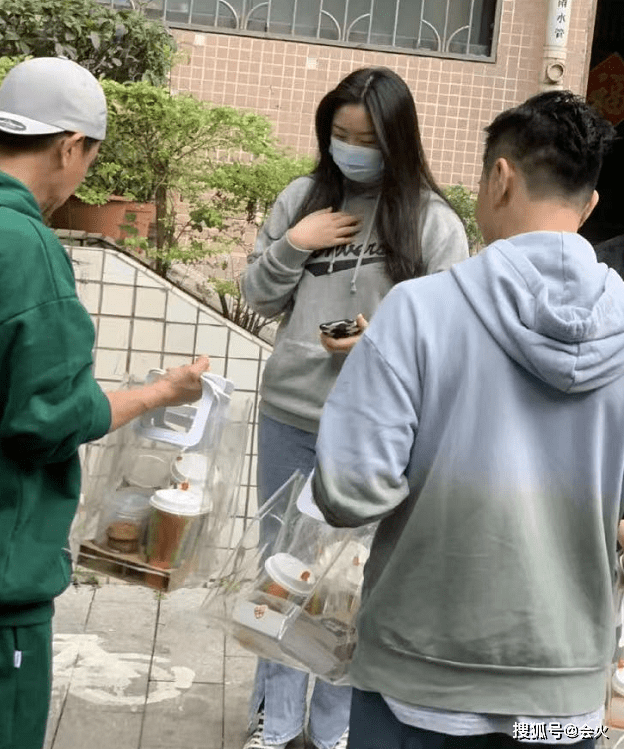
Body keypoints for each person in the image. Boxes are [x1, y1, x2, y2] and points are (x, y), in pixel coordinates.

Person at [311, 89, 621, 749]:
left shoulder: (418, 311)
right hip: (562, 692)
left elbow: (349, 488)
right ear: (588, 204)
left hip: (417, 680)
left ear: (500, 178)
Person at [240, 66, 469, 749]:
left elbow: (452, 332)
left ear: (397, 139)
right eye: (339, 134)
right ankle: (275, 723)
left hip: (375, 425)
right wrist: (295, 243)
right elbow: (257, 293)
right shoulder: (301, 198)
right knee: (279, 571)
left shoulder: (431, 221)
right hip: (291, 411)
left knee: (350, 584)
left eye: (366, 137)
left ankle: (334, 725)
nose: (351, 148)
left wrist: (384, 340)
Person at [0, 57, 210, 749]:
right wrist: (159, 392)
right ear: (69, 146)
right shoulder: (26, 248)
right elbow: (49, 418)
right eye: (89, 157)